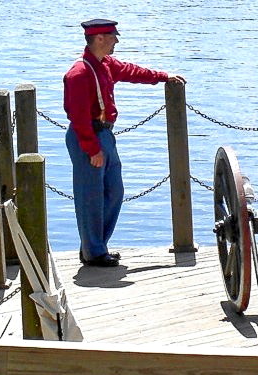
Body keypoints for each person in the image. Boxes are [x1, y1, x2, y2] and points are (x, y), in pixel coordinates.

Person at [63, 19, 185, 267]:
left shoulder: (106, 64)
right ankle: (94, 251)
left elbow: (132, 71)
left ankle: (94, 245)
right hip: (88, 136)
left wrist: (164, 77)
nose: (116, 41)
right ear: (99, 38)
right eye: (112, 36)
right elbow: (78, 117)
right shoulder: (79, 73)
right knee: (90, 196)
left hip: (105, 135)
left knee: (114, 191)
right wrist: (92, 149)